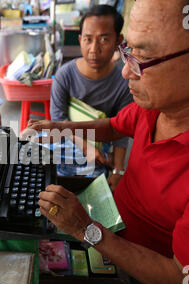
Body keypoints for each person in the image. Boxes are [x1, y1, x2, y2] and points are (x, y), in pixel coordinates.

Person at [25, 0, 189, 284]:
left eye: (144, 56)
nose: (126, 72)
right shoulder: (164, 101)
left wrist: (85, 229)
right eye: (128, 49)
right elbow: (116, 126)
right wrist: (59, 127)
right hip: (113, 227)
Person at [50, 5, 132, 188]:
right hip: (67, 138)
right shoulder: (64, 75)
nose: (94, 49)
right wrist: (85, 146)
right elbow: (58, 119)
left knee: (93, 183)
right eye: (88, 39)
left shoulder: (123, 83)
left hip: (100, 146)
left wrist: (119, 170)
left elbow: (121, 131)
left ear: (118, 41)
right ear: (80, 40)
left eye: (104, 39)